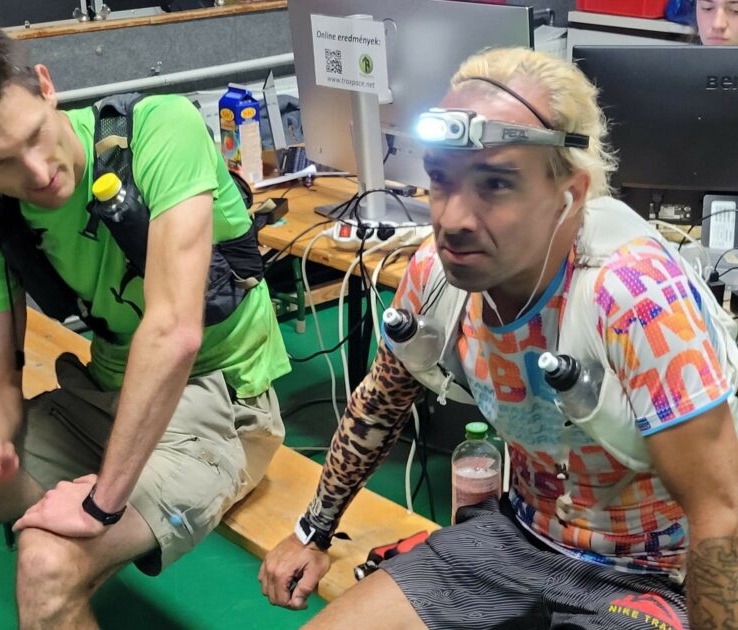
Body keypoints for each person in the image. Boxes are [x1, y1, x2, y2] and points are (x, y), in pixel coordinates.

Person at [259, 46, 738, 629]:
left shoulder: (635, 296)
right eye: (441, 179)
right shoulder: (436, 276)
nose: (453, 219)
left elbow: (722, 512)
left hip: (655, 576)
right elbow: (381, 403)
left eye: (495, 184)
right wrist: (312, 531)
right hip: (516, 539)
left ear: (570, 193)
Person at [0, 23, 290, 629]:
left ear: (46, 86)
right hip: (101, 399)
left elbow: (174, 331)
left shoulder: (159, 131)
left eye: (35, 135)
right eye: (1, 162)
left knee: (47, 563)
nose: (37, 172)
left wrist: (101, 504)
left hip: (219, 406)